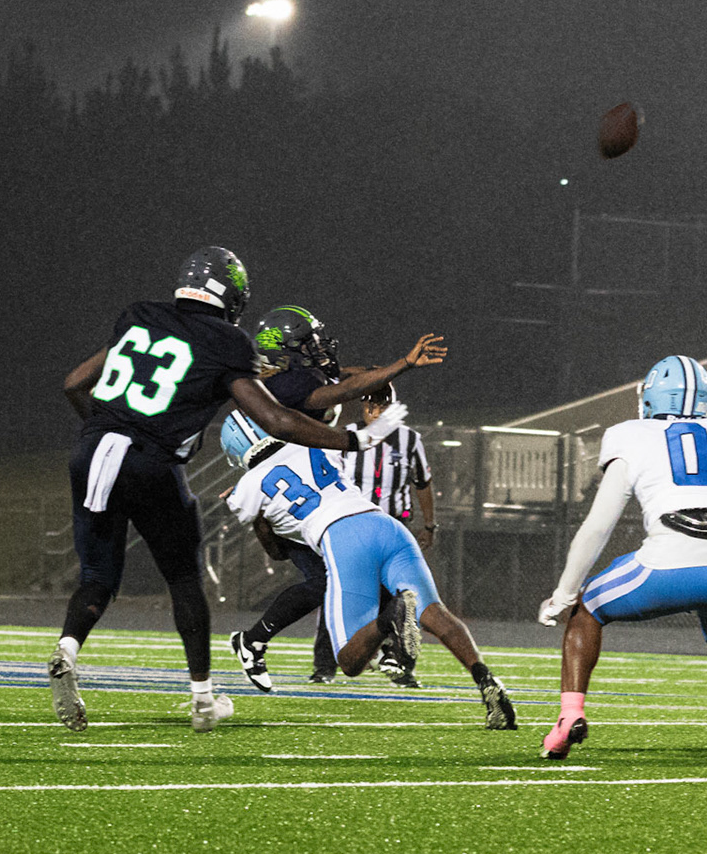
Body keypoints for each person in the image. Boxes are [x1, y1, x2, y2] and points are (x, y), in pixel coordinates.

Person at [48, 248, 406, 734]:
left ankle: (67, 648)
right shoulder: (226, 341)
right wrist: (354, 439)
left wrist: (107, 429)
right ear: (233, 295)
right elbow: (277, 419)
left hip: (91, 452)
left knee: (97, 575)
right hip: (150, 460)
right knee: (183, 580)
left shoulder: (139, 314)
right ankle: (203, 700)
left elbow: (74, 383)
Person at [537, 355, 707, 764]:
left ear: (651, 397)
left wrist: (564, 592)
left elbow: (598, 525)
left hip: (667, 562)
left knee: (586, 608)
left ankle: (568, 718)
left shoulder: (629, 435)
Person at [220, 410, 517, 730]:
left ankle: (392, 617)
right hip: (387, 526)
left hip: (344, 538)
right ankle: (488, 681)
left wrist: (259, 514)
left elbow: (276, 553)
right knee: (436, 614)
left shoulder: (247, 488)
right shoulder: (311, 444)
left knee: (350, 661)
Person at [226, 307, 446, 690]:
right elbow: (341, 390)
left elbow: (345, 377)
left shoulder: (293, 375)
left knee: (334, 579)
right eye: (308, 343)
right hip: (287, 492)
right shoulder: (282, 387)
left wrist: (382, 373)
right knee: (323, 579)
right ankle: (264, 642)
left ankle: (259, 641)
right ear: (285, 350)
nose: (319, 348)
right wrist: (402, 364)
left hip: (306, 487)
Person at [335, 383, 437, 687]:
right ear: (362, 407)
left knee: (406, 594)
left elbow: (423, 483)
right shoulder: (345, 436)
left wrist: (430, 524)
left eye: (382, 406)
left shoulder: (409, 440)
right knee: (344, 592)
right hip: (355, 527)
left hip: (395, 528)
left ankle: (402, 663)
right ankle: (327, 663)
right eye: (371, 406)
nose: (376, 412)